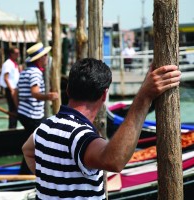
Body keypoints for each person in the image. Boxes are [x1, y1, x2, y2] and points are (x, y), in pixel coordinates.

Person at [22, 58, 181, 199]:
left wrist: (52, 181)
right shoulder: (79, 135)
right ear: (104, 95)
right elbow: (114, 161)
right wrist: (144, 98)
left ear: (68, 90)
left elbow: (27, 150)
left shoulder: (45, 126)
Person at [15, 42, 59, 174]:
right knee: (38, 143)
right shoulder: (35, 73)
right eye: (45, 55)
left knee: (34, 143)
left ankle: (27, 171)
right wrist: (49, 97)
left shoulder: (25, 71)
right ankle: (27, 173)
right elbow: (34, 93)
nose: (47, 57)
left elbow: (17, 92)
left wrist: (19, 108)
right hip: (32, 115)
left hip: (25, 113)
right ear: (40, 58)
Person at [0, 47, 20, 129]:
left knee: (15, 109)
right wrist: (11, 90)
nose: (18, 55)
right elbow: (6, 78)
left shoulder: (14, 63)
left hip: (15, 89)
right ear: (11, 54)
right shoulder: (8, 64)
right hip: (11, 89)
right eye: (16, 53)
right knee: (13, 109)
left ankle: (13, 126)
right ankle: (12, 128)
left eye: (18, 53)